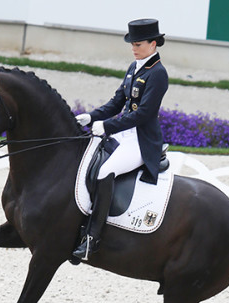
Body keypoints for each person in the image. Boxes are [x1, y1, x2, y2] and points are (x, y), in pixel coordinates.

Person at [72, 18, 169, 261]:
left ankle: (92, 239)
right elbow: (118, 102)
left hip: (141, 139)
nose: (133, 48)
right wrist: (92, 116)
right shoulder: (134, 67)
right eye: (132, 44)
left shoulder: (158, 73)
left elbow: (143, 114)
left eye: (138, 44)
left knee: (106, 170)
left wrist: (106, 126)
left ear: (153, 43)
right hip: (123, 133)